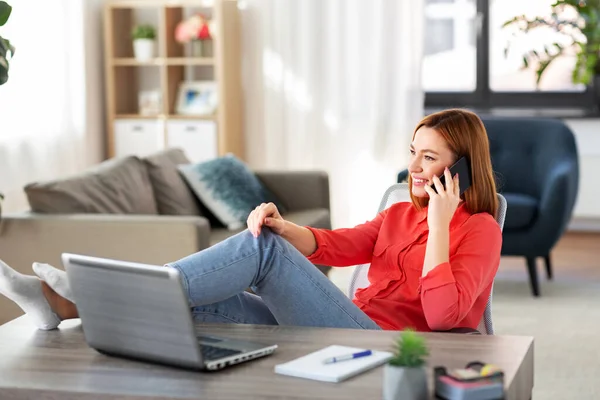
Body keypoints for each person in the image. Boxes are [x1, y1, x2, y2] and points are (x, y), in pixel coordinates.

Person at [0, 108, 501, 332]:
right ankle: (69, 308)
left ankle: (81, 295)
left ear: (460, 168)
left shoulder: (480, 230)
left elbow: (442, 318)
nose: (413, 167)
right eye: (412, 153)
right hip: (349, 324)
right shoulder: (396, 212)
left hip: (384, 345)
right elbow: (334, 244)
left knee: (259, 249)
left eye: (429, 158)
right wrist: (286, 228)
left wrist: (440, 224)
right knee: (205, 300)